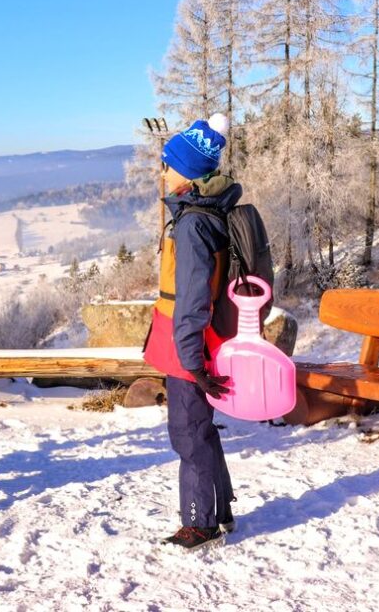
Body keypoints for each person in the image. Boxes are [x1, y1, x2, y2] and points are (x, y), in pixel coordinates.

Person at [147, 114, 240, 552]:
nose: (163, 172)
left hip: (186, 346)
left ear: (186, 170)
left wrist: (190, 361)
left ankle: (200, 524)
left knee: (188, 432)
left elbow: (191, 300)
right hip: (191, 343)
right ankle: (218, 512)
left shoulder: (193, 224)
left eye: (168, 165)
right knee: (200, 430)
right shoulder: (203, 215)